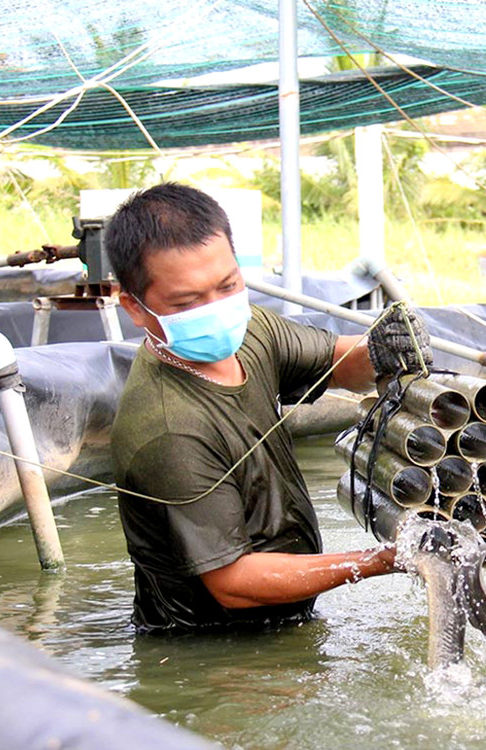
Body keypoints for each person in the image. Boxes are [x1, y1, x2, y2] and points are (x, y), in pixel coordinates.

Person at [107, 182, 433, 632]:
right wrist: (381, 560)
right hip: (212, 649)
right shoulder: (170, 431)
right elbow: (233, 582)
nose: (217, 309)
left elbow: (337, 363)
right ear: (135, 307)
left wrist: (381, 349)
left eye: (228, 285)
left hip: (291, 615)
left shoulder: (250, 331)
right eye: (187, 302)